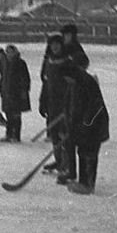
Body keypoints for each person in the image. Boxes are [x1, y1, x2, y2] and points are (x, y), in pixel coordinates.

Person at [62, 55, 108, 194]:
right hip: (83, 126)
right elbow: (73, 107)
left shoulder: (86, 82)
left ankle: (88, 184)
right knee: (82, 151)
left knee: (89, 153)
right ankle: (83, 182)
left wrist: (85, 125)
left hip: (95, 125)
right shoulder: (76, 83)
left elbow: (95, 107)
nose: (66, 81)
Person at [38, 33, 72, 177]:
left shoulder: (67, 62)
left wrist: (70, 104)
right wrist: (43, 101)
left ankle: (67, 164)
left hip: (66, 104)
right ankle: (59, 161)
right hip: (52, 103)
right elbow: (46, 83)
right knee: (54, 134)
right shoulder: (49, 61)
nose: (55, 47)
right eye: (52, 44)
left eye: (57, 44)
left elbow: (72, 85)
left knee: (65, 134)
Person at [0, 44, 31, 142]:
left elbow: (25, 78)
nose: (9, 54)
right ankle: (9, 134)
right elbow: (3, 76)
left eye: (11, 52)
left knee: (16, 115)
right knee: (8, 114)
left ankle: (16, 136)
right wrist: (1, 88)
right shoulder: (5, 63)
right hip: (6, 92)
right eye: (7, 52)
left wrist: (24, 91)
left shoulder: (20, 63)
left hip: (16, 93)